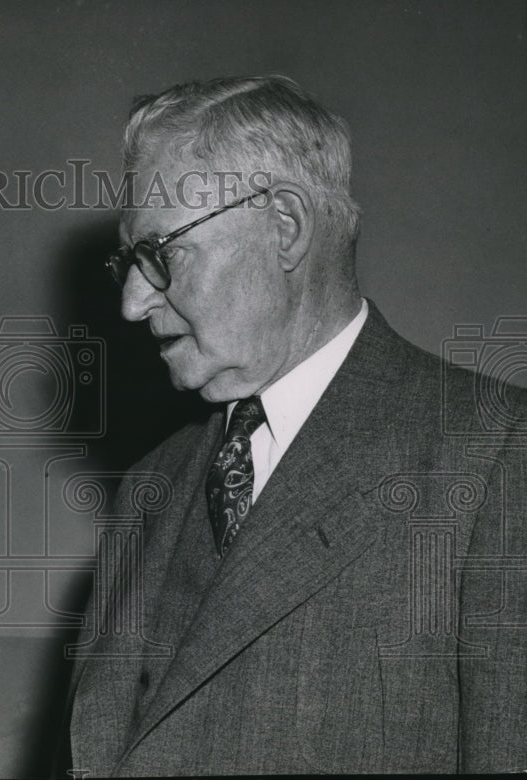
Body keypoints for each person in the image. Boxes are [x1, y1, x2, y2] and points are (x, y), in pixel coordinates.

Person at [65, 76, 527, 774]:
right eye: (126, 262)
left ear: (284, 225)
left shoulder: (493, 453)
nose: (132, 302)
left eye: (160, 254)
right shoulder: (150, 484)